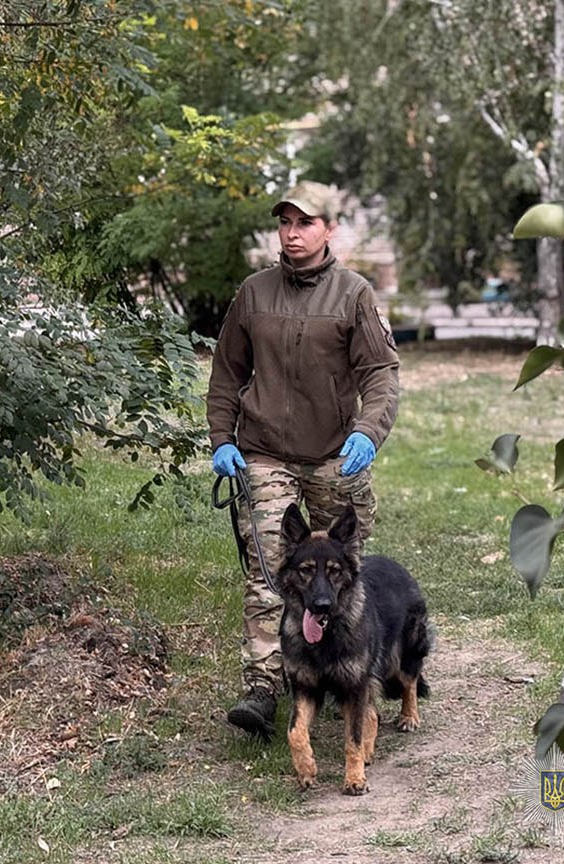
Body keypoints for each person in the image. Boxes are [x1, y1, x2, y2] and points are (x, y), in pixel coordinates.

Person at [206, 180, 400, 737]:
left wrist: (367, 432)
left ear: (329, 229)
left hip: (336, 456)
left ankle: (351, 674)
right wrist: (223, 437)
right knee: (273, 567)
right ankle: (265, 687)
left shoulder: (353, 294)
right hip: (264, 452)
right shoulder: (253, 293)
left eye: (305, 223)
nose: (292, 234)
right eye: (285, 223)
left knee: (339, 576)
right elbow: (226, 374)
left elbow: (381, 376)